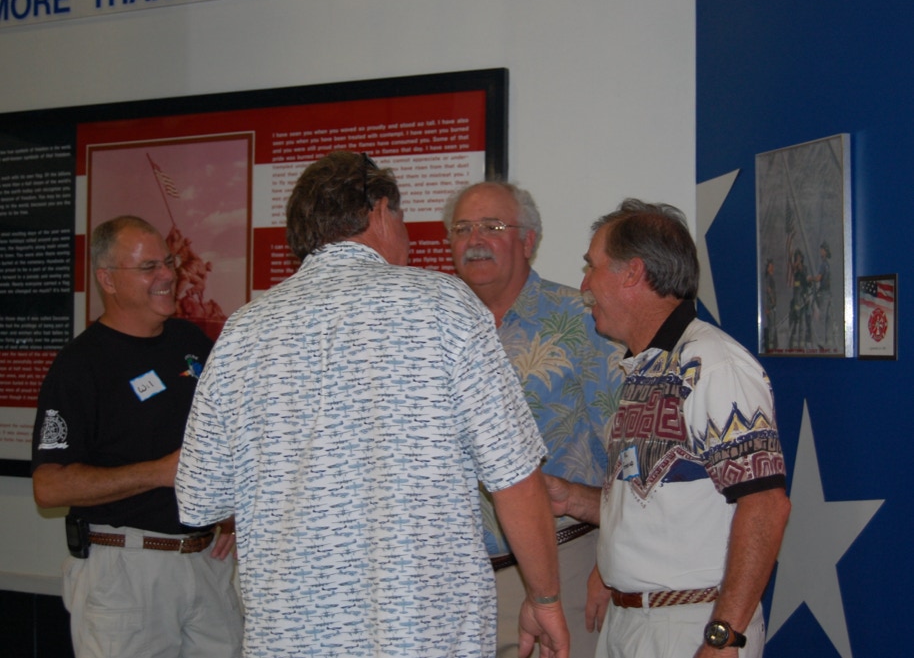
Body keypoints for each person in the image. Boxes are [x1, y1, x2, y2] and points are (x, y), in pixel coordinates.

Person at [174, 151, 569, 658]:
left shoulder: (243, 330)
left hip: (292, 638)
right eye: (401, 217)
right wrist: (544, 597)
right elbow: (514, 478)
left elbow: (201, 501)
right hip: (423, 635)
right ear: (380, 211)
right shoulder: (444, 306)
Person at [546, 199, 791, 658]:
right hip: (631, 624)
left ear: (633, 273)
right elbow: (659, 503)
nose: (584, 285)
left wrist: (724, 637)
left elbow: (765, 506)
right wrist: (571, 499)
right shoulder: (645, 367)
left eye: (592, 266)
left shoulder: (712, 365)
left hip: (691, 626)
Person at [31, 215, 243, 658]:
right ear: (107, 279)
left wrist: (231, 513)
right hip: (127, 570)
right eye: (148, 267)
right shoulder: (80, 366)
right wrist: (159, 473)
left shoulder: (191, 341)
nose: (168, 275)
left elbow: (232, 433)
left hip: (208, 562)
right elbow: (49, 487)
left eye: (168, 262)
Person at [443, 181, 625, 658]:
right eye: (462, 228)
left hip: (566, 567)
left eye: (492, 226)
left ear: (528, 241)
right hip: (453, 586)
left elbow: (629, 454)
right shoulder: (433, 328)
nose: (475, 240)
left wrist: (612, 564)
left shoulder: (584, 320)